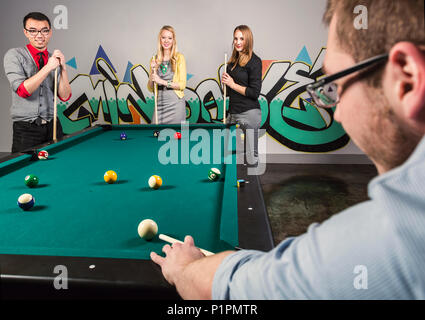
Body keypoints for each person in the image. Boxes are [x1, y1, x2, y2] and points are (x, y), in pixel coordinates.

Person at [151, 0, 425, 299]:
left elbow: (240, 287)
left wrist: (186, 269)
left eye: (335, 84)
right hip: (232, 114)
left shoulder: (379, 245)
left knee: (250, 166)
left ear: (407, 80)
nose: (337, 114)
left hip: (249, 113)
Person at [3, 12, 72, 153]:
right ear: (25, 32)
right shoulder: (14, 55)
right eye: (33, 31)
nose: (39, 35)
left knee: (57, 168)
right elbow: (22, 90)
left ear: (50, 32)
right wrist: (48, 67)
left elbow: (65, 96)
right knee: (24, 171)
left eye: (44, 30)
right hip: (26, 129)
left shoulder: (54, 58)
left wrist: (63, 69)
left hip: (53, 126)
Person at [222, 25, 262, 166]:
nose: (238, 42)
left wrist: (232, 84)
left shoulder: (255, 61)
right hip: (232, 113)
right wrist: (225, 84)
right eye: (235, 38)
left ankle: (253, 187)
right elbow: (226, 94)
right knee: (227, 156)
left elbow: (254, 93)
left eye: (241, 39)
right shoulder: (231, 63)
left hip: (249, 113)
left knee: (250, 160)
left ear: (248, 40)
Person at [147, 25, 187, 124]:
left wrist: (161, 81)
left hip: (176, 105)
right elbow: (150, 88)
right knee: (156, 135)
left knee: (178, 136)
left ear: (173, 40)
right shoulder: (154, 59)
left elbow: (182, 85)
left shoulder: (179, 58)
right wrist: (153, 70)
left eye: (170, 38)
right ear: (160, 39)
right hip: (160, 104)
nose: (166, 41)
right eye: (163, 37)